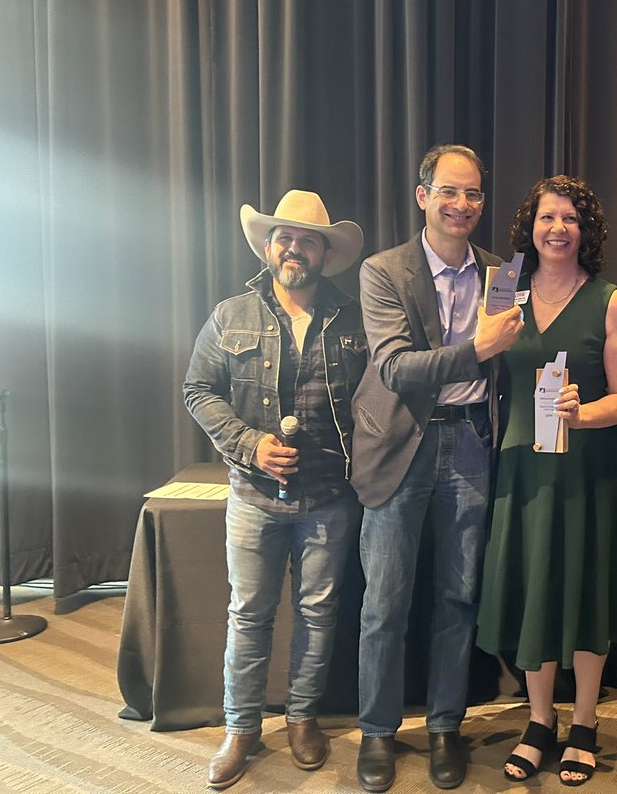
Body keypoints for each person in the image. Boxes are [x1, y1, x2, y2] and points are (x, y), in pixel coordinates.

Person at [350, 144, 524, 792]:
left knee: (458, 597)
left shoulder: (502, 272)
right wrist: (472, 349)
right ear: (423, 196)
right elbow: (396, 367)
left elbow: (512, 358)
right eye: (449, 192)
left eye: (473, 194)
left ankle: (446, 726)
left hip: (473, 443)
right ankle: (377, 732)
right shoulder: (382, 271)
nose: (462, 205)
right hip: (399, 446)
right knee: (384, 603)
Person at [183, 190, 368, 789]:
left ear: (324, 253)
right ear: (269, 247)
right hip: (253, 495)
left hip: (331, 498)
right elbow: (198, 390)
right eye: (285, 237)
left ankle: (303, 717)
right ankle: (241, 729)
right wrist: (249, 444)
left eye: (308, 239)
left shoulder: (356, 317)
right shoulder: (229, 313)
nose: (295, 248)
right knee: (249, 614)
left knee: (318, 614)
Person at [476, 175, 617, 787]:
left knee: (584, 589)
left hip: (587, 474)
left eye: (570, 219)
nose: (558, 229)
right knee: (535, 591)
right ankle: (540, 721)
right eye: (548, 218)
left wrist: (585, 412)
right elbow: (476, 365)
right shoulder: (503, 294)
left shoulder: (610, 300)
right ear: (531, 227)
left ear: (586, 231)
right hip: (522, 470)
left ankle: (585, 723)